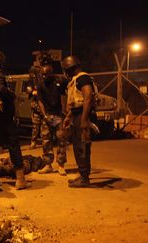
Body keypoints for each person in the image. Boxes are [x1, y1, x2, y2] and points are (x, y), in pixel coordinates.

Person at [0, 50, 30, 191]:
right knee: (13, 144)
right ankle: (20, 180)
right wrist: (12, 95)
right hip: (3, 116)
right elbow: (0, 89)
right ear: (0, 61)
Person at [61, 56, 96, 188]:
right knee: (77, 146)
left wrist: (84, 119)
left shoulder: (83, 78)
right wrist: (69, 116)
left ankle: (85, 179)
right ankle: (82, 175)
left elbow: (87, 98)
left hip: (83, 114)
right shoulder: (76, 80)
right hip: (77, 114)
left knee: (82, 147)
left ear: (70, 68)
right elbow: (76, 102)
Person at [36, 62, 68, 176]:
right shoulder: (40, 85)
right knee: (46, 141)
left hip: (58, 115)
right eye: (42, 74)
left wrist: (64, 113)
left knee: (61, 140)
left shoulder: (59, 82)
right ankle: (48, 165)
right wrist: (44, 115)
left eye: (46, 74)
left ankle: (61, 165)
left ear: (51, 73)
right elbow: (40, 101)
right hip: (47, 115)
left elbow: (64, 95)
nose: (44, 76)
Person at [26, 66, 43, 149]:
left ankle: (45, 141)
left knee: (45, 125)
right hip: (36, 106)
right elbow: (29, 91)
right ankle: (33, 141)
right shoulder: (31, 81)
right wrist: (32, 91)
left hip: (44, 106)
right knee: (35, 126)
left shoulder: (42, 80)